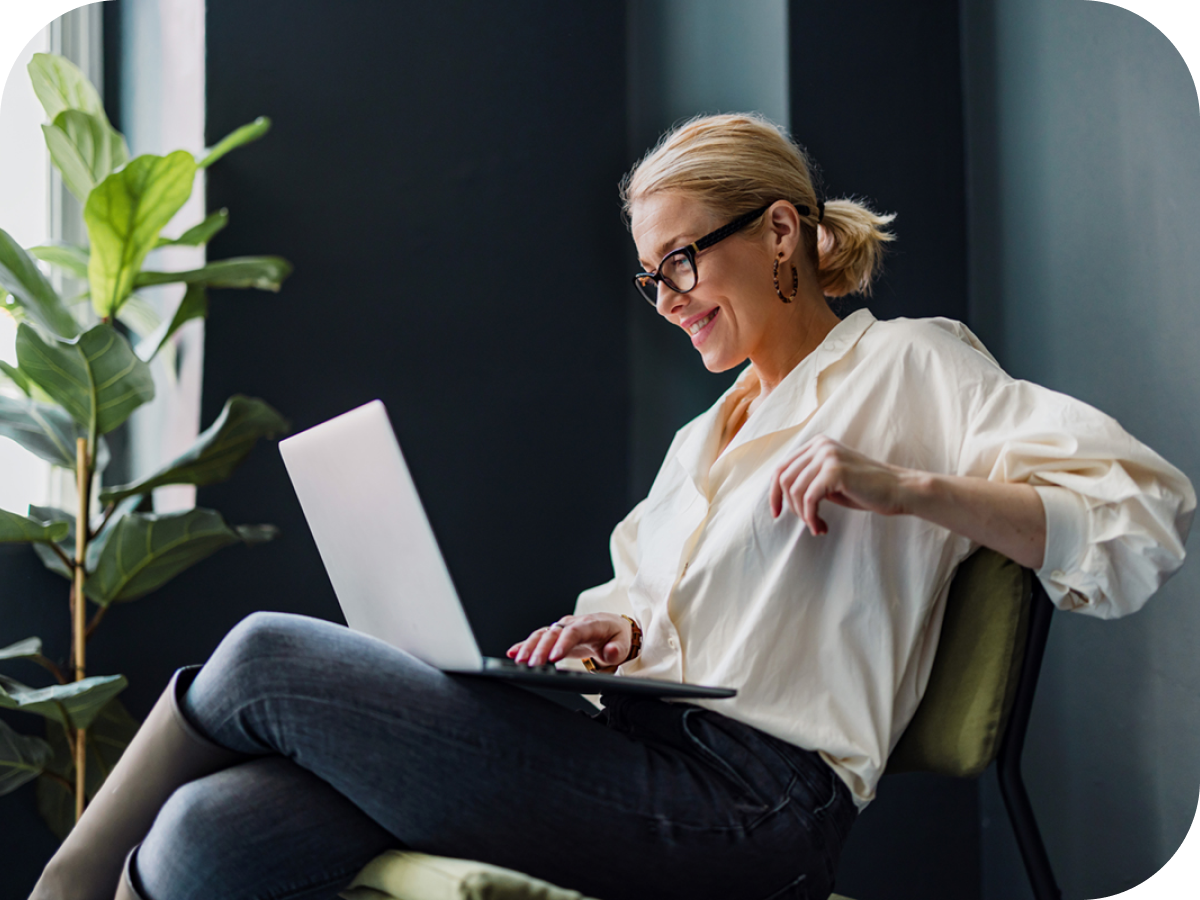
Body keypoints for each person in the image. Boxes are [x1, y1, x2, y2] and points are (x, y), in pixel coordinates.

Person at [30, 113, 1194, 900]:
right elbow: (646, 603)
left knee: (262, 660)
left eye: (684, 261)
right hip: (630, 755)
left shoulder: (912, 370)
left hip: (755, 808)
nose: (669, 298)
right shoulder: (704, 438)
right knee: (208, 837)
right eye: (653, 278)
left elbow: (1144, 513)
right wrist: (615, 636)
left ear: (780, 230)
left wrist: (906, 487)